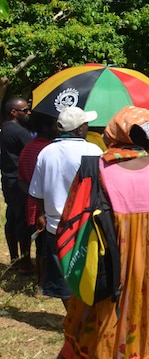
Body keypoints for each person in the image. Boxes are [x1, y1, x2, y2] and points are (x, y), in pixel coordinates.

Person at [58, 106, 149, 359]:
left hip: (107, 261)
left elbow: (71, 219)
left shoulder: (96, 169)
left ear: (114, 133)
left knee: (102, 314)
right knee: (144, 310)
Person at [29, 106, 102, 307]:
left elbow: (36, 192)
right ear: (79, 130)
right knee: (88, 272)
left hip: (56, 226)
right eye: (86, 124)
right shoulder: (92, 150)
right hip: (87, 223)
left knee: (63, 277)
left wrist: (42, 215)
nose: (88, 127)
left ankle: (71, 316)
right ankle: (83, 317)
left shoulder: (46, 152)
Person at [17, 112, 57, 292]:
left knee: (41, 247)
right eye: (55, 125)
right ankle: (44, 285)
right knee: (46, 249)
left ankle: (42, 283)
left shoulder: (28, 148)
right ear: (47, 128)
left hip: (33, 205)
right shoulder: (48, 150)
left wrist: (32, 196)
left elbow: (21, 180)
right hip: (46, 207)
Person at [1, 96, 34, 274]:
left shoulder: (6, 128)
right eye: (25, 110)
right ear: (13, 112)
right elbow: (33, 152)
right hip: (19, 182)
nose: (28, 113)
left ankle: (15, 260)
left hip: (8, 180)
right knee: (22, 222)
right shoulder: (19, 132)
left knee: (12, 219)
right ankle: (25, 263)